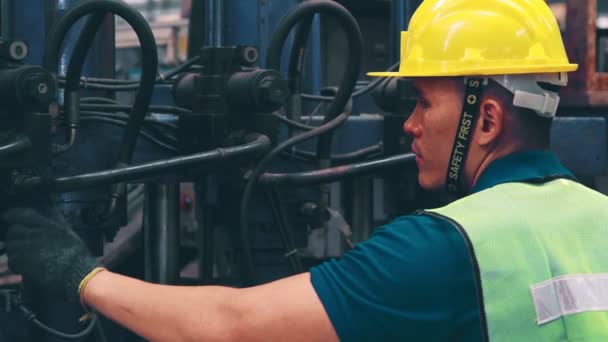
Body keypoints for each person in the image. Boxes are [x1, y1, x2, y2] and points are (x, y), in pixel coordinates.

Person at [5, 0, 608, 341]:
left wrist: (79, 275)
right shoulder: (598, 217)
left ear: (488, 119)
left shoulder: (450, 247)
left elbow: (229, 328)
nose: (409, 125)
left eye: (424, 102)